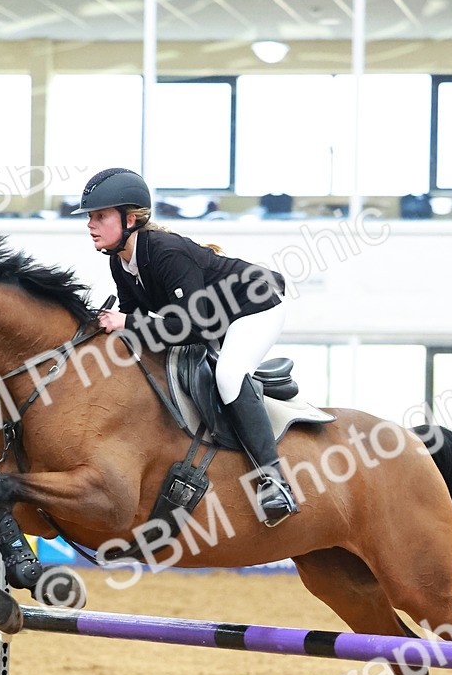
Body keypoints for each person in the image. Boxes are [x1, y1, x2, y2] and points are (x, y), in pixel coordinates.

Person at [75, 167, 299, 526]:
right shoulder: (121, 263)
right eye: (90, 217)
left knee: (227, 374)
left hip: (256, 304)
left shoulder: (166, 252)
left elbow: (193, 328)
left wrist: (125, 322)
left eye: (100, 216)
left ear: (129, 219)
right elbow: (140, 330)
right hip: (216, 318)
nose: (91, 224)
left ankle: (274, 483)